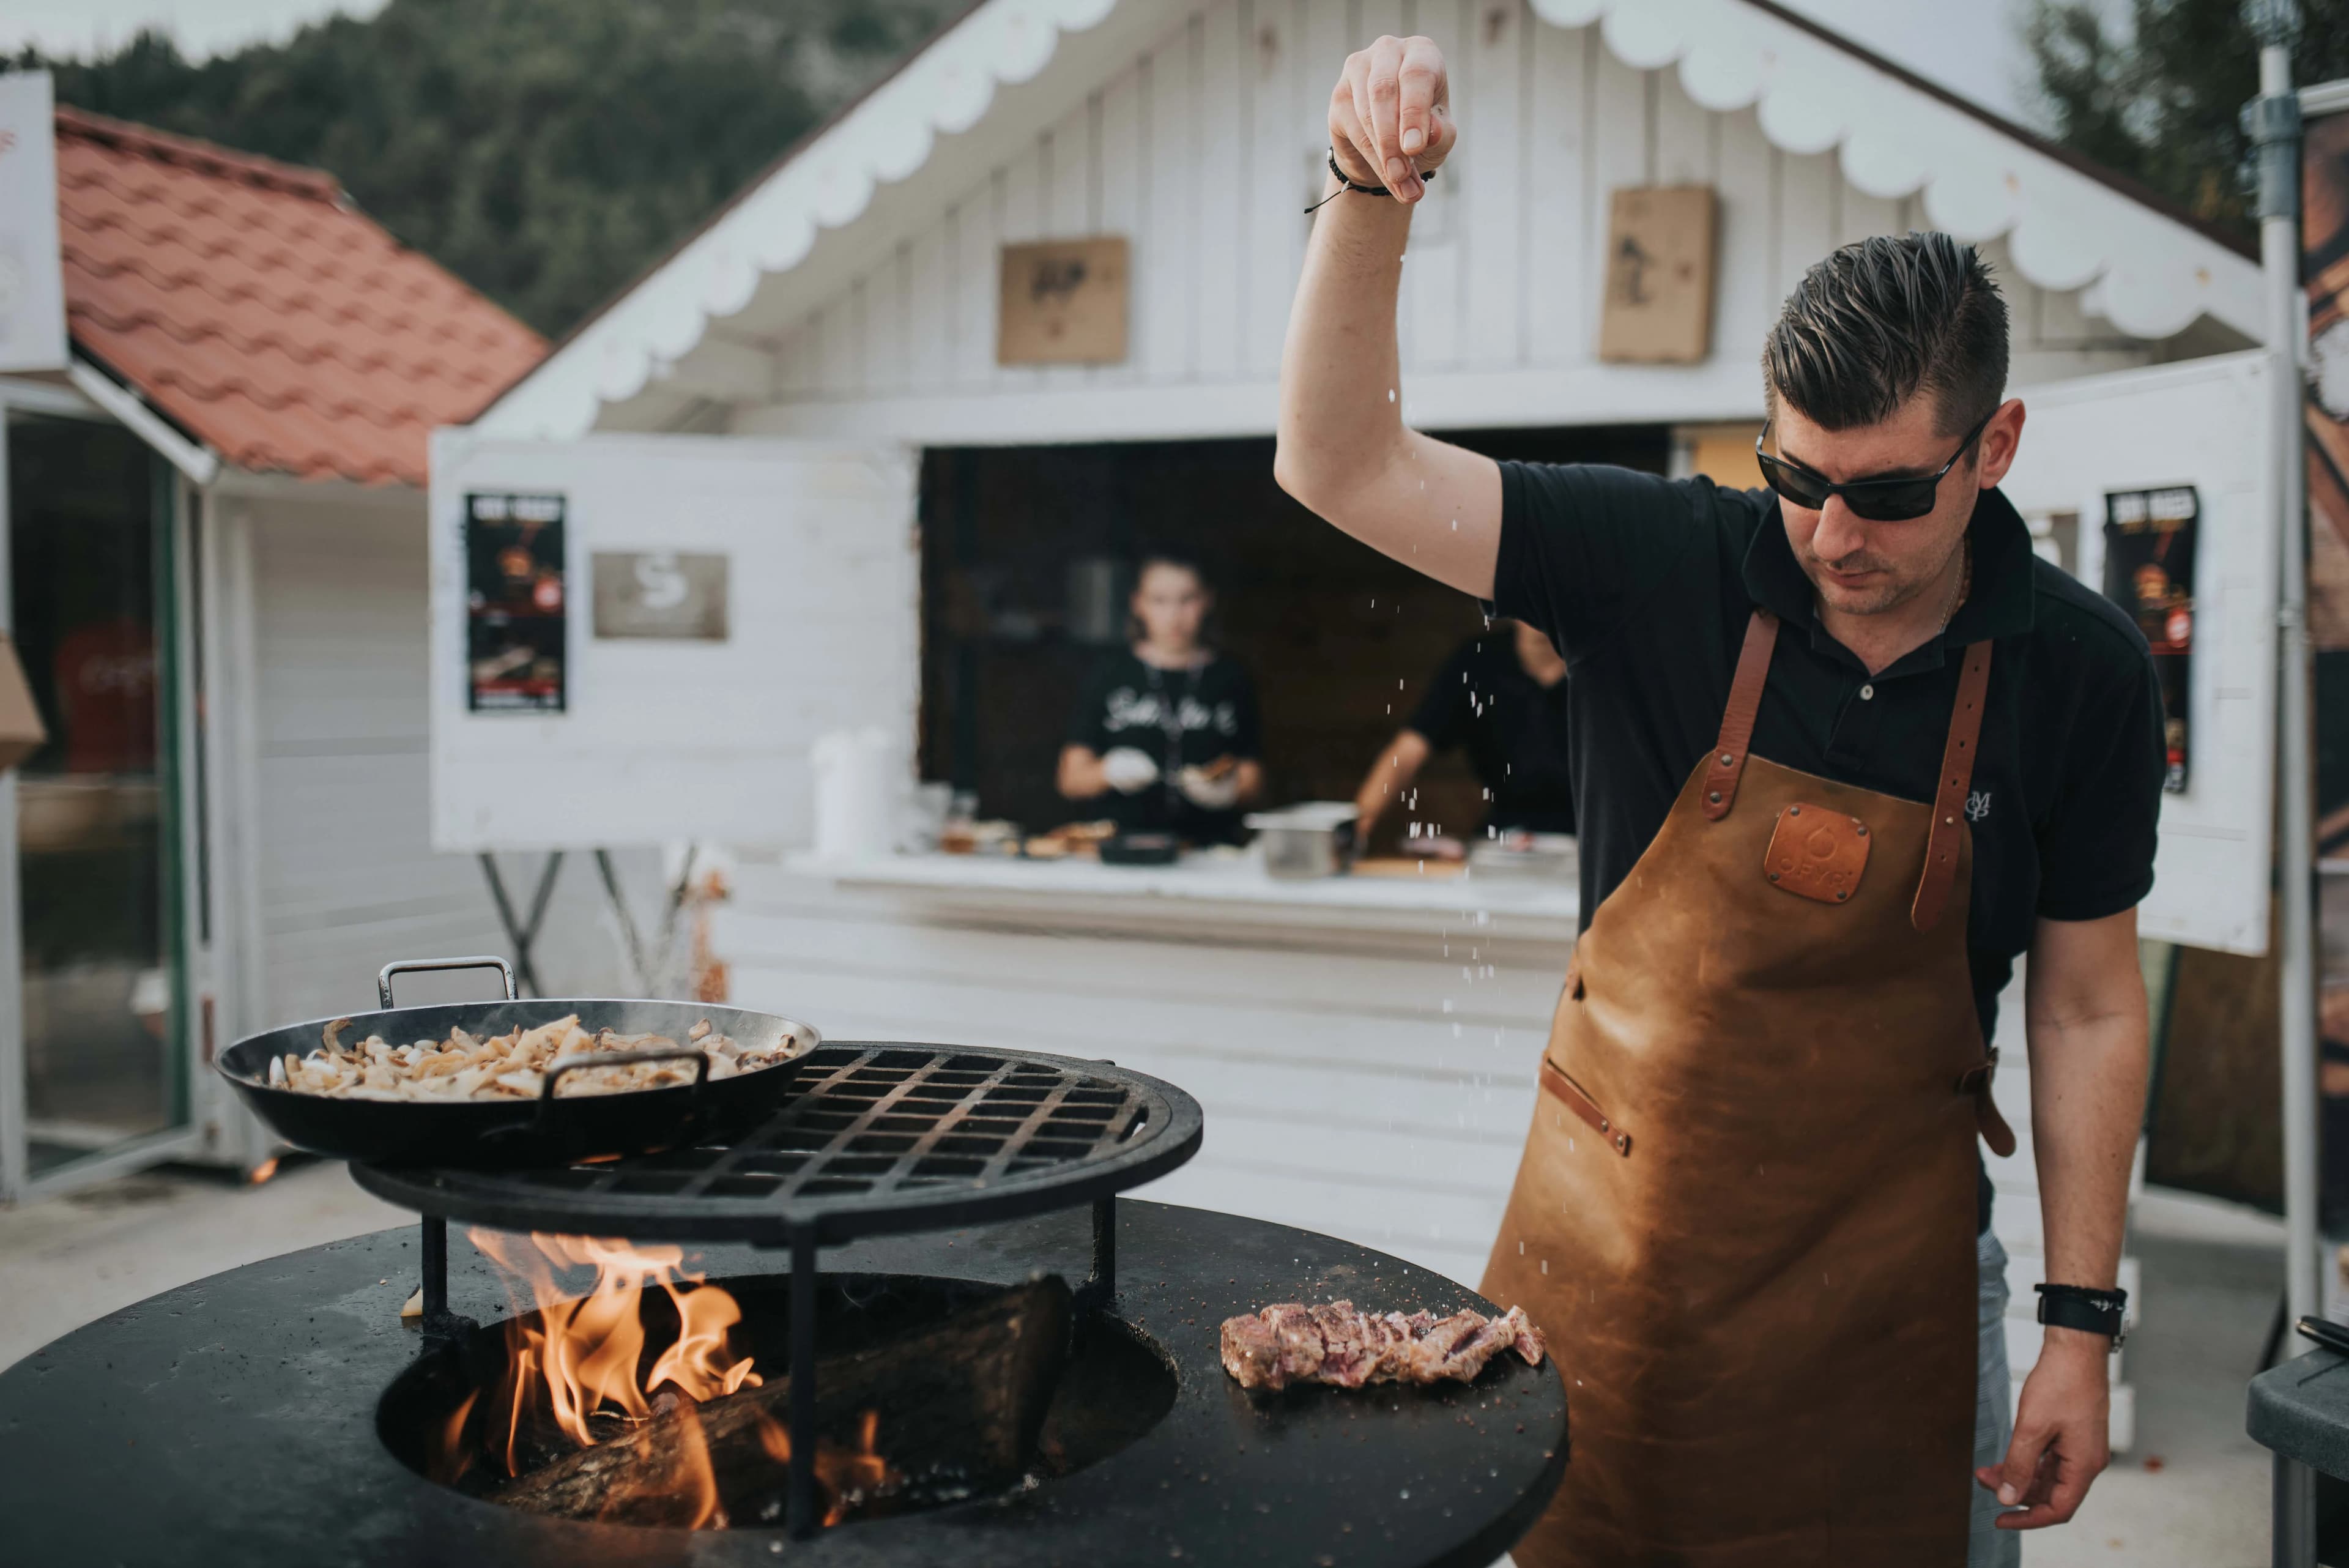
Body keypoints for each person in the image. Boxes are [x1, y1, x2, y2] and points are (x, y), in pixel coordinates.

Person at [1275, 37, 2158, 1568]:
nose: (1828, 536)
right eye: (1793, 475)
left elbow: (2083, 1007)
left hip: (1894, 1295)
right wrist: (1364, 191)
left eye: (1886, 494)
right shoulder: (1656, 561)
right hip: (1610, 1265)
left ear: (1993, 448)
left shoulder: (2076, 671)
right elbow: (1335, 462)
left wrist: (2079, 1328)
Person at [1058, 551, 1264, 844]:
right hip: (1119, 845)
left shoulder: (1230, 677)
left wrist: (1229, 790)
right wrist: (1109, 772)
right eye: (1160, 600)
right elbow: (1070, 779)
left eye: (1187, 600)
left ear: (1207, 601)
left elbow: (1253, 777)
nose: (1174, 615)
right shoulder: (1110, 674)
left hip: (1209, 848)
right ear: (1138, 604)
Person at [1353, 619, 1575, 855]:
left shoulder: (1603, 659)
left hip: (1594, 837)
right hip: (1503, 839)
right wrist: (1358, 826)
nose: (1538, 605)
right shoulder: (1479, 660)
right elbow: (1409, 750)